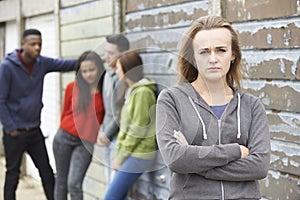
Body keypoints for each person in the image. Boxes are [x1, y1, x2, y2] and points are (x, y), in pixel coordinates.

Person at [156, 15, 271, 200]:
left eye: (221, 50)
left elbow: (259, 166)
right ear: (193, 56)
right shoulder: (172, 100)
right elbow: (175, 159)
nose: (213, 58)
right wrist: (236, 151)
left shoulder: (251, 105)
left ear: (233, 54)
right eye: (204, 52)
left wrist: (196, 165)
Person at [0, 29, 77, 200]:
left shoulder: (41, 63)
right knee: (13, 174)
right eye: (33, 44)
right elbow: (0, 100)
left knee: (47, 172)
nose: (37, 48)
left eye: (40, 44)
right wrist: (11, 128)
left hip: (34, 131)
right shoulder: (7, 67)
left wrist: (90, 61)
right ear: (23, 45)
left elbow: (64, 65)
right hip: (15, 133)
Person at [103, 51, 157, 200]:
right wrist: (118, 154)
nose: (116, 71)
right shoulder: (132, 91)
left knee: (111, 197)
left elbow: (138, 128)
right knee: (120, 196)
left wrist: (120, 158)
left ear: (127, 70)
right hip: (130, 153)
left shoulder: (143, 93)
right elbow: (125, 127)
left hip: (140, 154)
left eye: (119, 68)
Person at [52, 50, 105, 200]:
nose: (88, 74)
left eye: (92, 70)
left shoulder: (105, 89)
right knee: (61, 182)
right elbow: (65, 113)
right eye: (84, 71)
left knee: (74, 183)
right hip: (64, 137)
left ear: (99, 68)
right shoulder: (71, 87)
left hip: (85, 143)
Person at [97, 34, 130, 185]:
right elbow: (108, 110)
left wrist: (107, 133)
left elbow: (122, 111)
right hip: (107, 136)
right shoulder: (108, 74)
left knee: (115, 187)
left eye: (111, 53)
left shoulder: (126, 79)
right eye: (106, 52)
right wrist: (102, 131)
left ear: (122, 55)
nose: (105, 57)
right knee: (109, 182)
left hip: (120, 139)